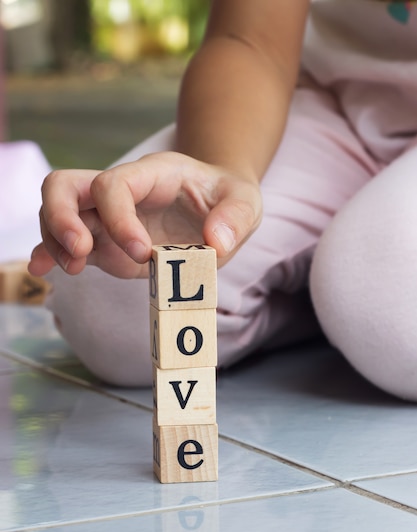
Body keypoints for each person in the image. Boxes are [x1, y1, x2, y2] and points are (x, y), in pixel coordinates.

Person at [28, 0, 417, 400]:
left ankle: (330, 287)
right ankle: (317, 292)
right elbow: (248, 40)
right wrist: (220, 171)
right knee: (111, 303)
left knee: (389, 308)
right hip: (332, 104)